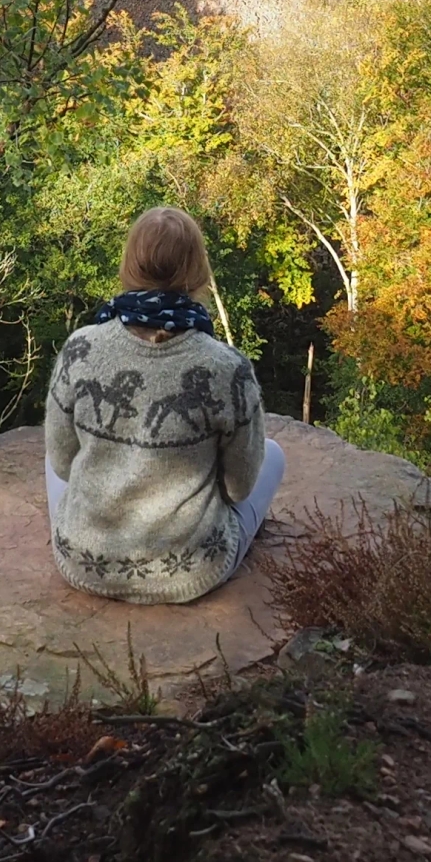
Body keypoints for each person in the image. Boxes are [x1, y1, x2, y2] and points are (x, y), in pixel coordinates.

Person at [42, 205, 285, 603]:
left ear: (129, 265)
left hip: (84, 561)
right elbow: (240, 488)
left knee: (52, 456)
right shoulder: (227, 368)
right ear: (197, 272)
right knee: (273, 455)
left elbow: (63, 463)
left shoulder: (80, 348)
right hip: (192, 569)